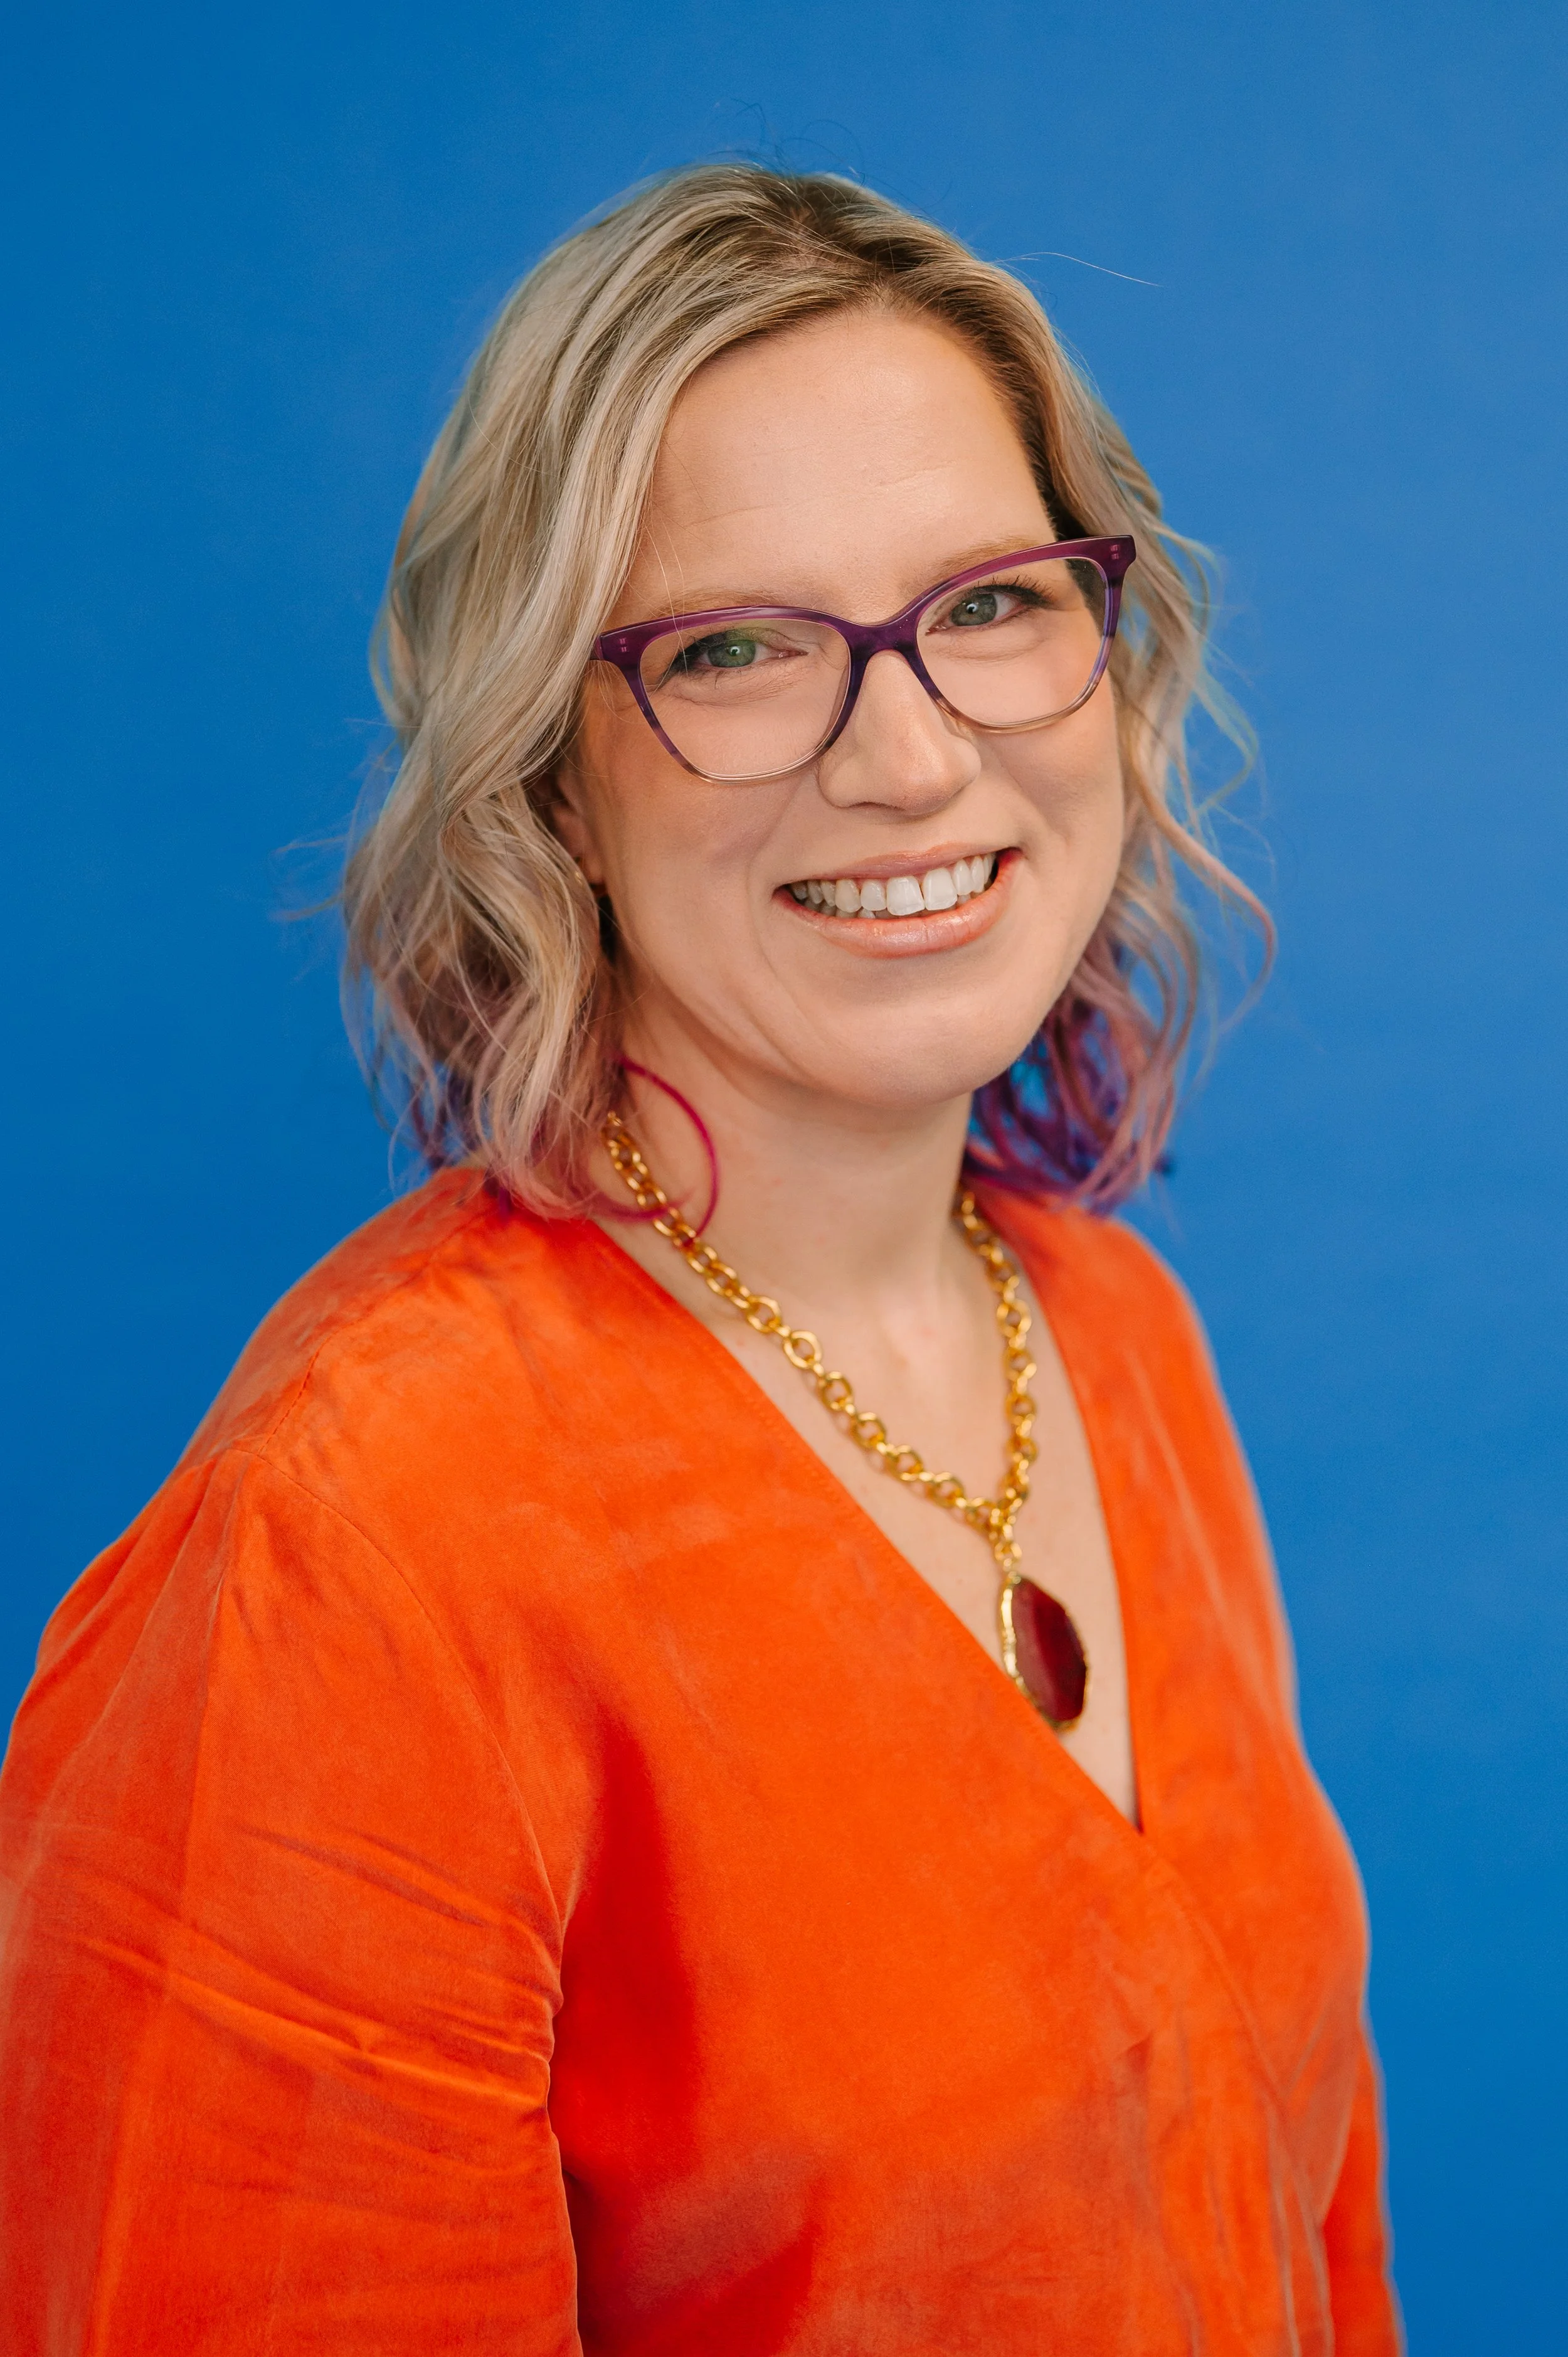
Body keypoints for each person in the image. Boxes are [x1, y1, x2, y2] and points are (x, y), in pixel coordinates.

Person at [0, 165, 1400, 2353]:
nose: (912, 755)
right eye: (735, 651)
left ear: (1107, 656)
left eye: (991, 604)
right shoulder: (358, 1548)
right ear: (549, 781)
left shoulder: (1117, 1335)